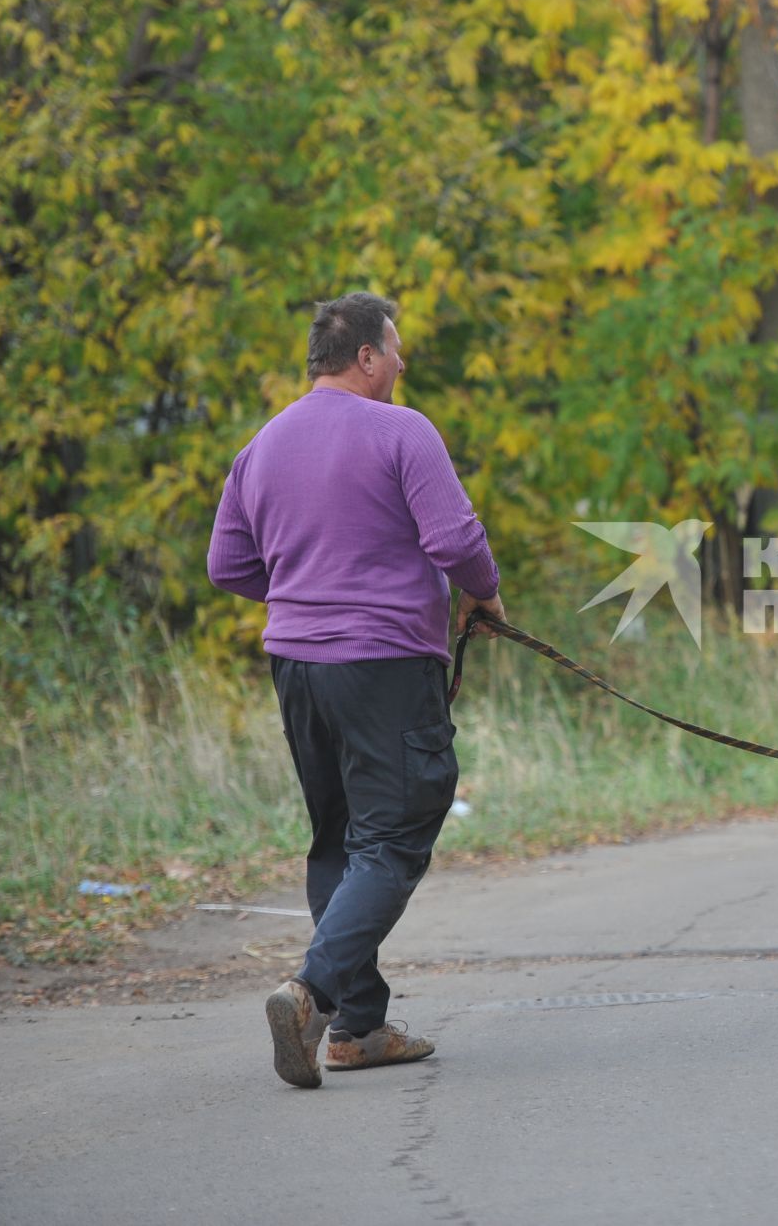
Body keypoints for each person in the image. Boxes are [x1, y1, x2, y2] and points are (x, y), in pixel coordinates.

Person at [207, 291, 505, 1089]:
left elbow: (227, 565)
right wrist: (485, 591)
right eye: (395, 348)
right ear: (365, 355)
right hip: (382, 663)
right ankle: (311, 995)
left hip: (298, 666)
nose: (403, 361)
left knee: (338, 835)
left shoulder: (262, 445)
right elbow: (454, 538)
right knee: (402, 824)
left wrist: (308, 588)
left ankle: (359, 1029)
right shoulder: (402, 430)